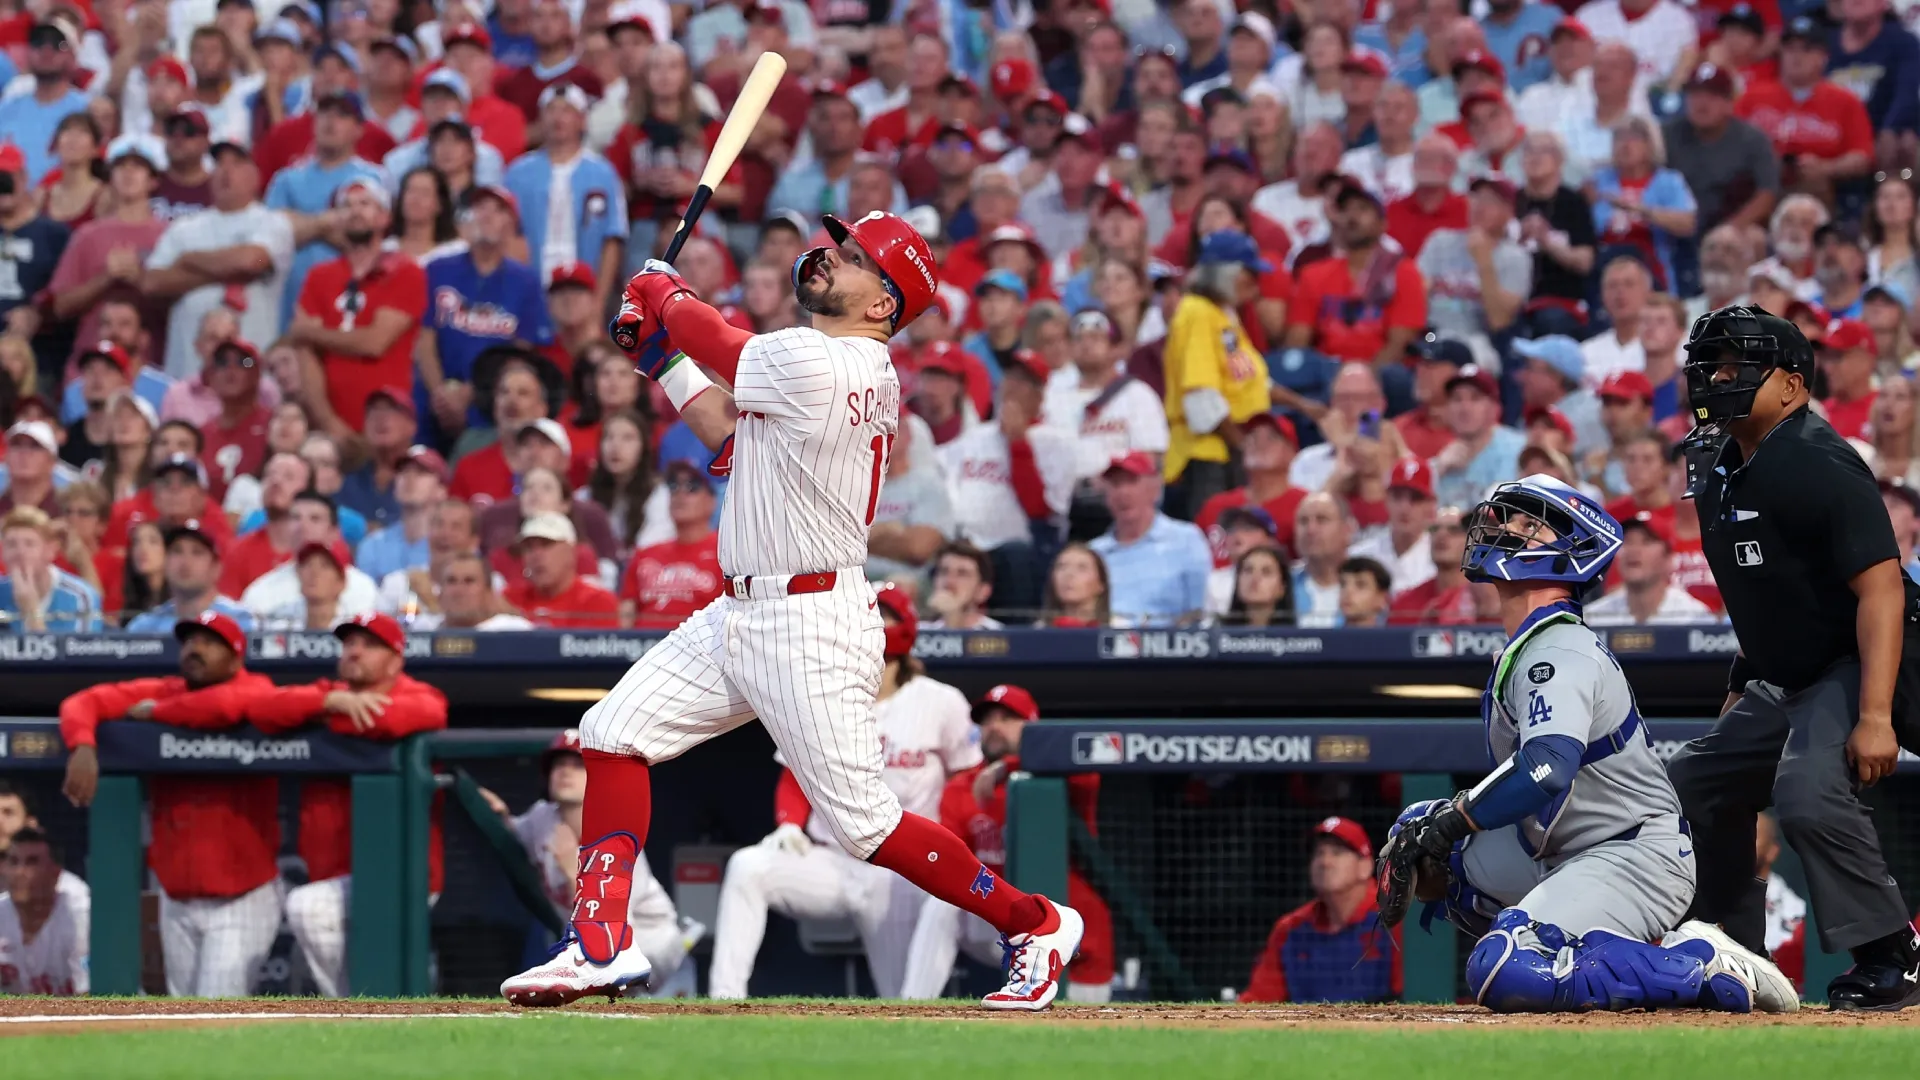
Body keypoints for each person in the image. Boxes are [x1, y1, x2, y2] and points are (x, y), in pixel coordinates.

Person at [505, 210, 1086, 1010]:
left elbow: (723, 345)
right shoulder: (813, 367)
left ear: (883, 304)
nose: (829, 256)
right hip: (741, 609)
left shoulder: (835, 361)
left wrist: (664, 295)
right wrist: (663, 360)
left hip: (812, 621)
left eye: (853, 260)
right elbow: (730, 437)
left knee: (866, 828)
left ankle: (1033, 922)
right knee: (611, 732)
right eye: (837, 245)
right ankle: (599, 942)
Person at [1374, 475, 1795, 1015]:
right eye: (1511, 521)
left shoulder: (1561, 648)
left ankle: (1692, 958)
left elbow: (1546, 768)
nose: (1506, 530)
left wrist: (1457, 816)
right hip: (1568, 850)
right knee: (1426, 840)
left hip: (1635, 854)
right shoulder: (1532, 643)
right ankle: (1576, 944)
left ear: (1569, 554)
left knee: (1503, 968)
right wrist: (1441, 829)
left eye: (1529, 526)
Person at [1667, 306, 1920, 1010]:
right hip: (1784, 674)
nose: (1717, 378)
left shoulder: (1818, 458)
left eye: (1735, 365)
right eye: (1711, 364)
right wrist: (1742, 680)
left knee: (1809, 793)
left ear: (1792, 384)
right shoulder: (1718, 463)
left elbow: (1881, 590)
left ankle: (1891, 957)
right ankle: (1717, 942)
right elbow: (1765, 589)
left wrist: (1873, 714)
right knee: (1691, 783)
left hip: (1857, 662)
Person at [709, 584, 980, 999]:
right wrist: (790, 826)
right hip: (832, 861)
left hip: (901, 868)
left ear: (904, 628)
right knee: (749, 867)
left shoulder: (941, 701)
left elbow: (967, 779)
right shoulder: (819, 691)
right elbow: (797, 774)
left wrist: (952, 841)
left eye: (883, 614)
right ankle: (724, 1000)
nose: (873, 621)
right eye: (865, 612)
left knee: (904, 999)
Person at [58, 611, 281, 996]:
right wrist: (83, 743)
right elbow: (83, 701)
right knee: (181, 1023)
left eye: (209, 643)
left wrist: (157, 714)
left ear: (236, 656)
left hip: (242, 898)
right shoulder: (166, 689)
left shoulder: (258, 689)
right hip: (177, 897)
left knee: (215, 1024)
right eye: (191, 641)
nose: (195, 649)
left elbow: (226, 708)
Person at [241, 613, 447, 998]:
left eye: (369, 645)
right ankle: (362, 1007)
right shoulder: (327, 693)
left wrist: (318, 719)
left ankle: (353, 1003)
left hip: (402, 873)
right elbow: (262, 709)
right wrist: (329, 701)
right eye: (349, 643)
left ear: (395, 659)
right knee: (323, 919)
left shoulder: (418, 693)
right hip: (335, 873)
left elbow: (409, 716)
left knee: (306, 907)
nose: (354, 651)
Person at [901, 684, 1113, 1001]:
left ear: (1032, 725)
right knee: (942, 904)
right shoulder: (964, 787)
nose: (994, 727)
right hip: (1006, 916)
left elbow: (1083, 763)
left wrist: (1010, 766)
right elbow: (949, 863)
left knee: (1080, 1034)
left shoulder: (1066, 777)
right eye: (987, 720)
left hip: (1075, 935)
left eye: (1007, 718)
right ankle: (911, 1008)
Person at [491, 730, 702, 993]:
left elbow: (613, 933)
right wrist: (499, 814)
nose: (565, 772)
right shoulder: (542, 818)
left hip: (654, 952)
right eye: (559, 764)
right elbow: (515, 832)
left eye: (578, 765)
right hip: (596, 947)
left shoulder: (619, 841)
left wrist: (572, 873)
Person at [141, 136, 294, 379]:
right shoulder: (184, 227)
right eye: (219, 163)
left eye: (237, 163)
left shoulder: (272, 223)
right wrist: (227, 269)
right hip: (189, 370)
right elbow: (152, 282)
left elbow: (251, 261)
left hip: (250, 363)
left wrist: (188, 260)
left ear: (256, 175)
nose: (226, 171)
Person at [938, 350, 1074, 614]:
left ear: (1040, 395)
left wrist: (1018, 444)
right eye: (1009, 377)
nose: (1011, 386)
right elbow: (942, 483)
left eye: (1022, 381)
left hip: (1023, 550)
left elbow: (1040, 511)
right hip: (968, 545)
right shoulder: (975, 437)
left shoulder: (1056, 441)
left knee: (1015, 556)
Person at [287, 178, 427, 431]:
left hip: (388, 422)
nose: (355, 211)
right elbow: (307, 354)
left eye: (365, 204)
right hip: (329, 425)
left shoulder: (406, 272)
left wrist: (309, 332)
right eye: (346, 206)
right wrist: (328, 422)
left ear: (384, 217)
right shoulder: (319, 276)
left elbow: (374, 343)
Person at [1162, 231, 1273, 515]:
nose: (1255, 283)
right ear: (1225, 273)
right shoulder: (1196, 313)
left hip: (1227, 450)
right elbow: (1201, 399)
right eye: (1249, 273)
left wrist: (1306, 407)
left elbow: (1251, 379)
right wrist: (1244, 447)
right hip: (1207, 458)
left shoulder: (1222, 313)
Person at [1242, 817, 1397, 1003]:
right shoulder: (1291, 929)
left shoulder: (1396, 918)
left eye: (1337, 853)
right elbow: (1258, 1000)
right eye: (1318, 853)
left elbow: (1417, 1001)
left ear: (1365, 866)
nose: (1325, 862)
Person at [1735, 18, 1873, 201]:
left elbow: (1863, 156)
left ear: (1823, 58)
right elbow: (1728, 143)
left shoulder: (1845, 100)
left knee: (1815, 185)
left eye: (1806, 49)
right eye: (1790, 49)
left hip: (1816, 188)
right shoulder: (1753, 96)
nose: (1796, 56)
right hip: (1758, 183)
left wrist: (1827, 167)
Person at [1086, 452, 1211, 626]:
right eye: (1115, 484)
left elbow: (1199, 612)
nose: (1123, 492)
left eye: (1131, 481)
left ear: (1155, 489)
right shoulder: (1094, 553)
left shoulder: (1186, 539)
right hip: (1102, 645)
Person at [1418, 176, 1533, 342]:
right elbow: (1416, 297)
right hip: (1431, 334)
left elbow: (1498, 321)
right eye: (1476, 197)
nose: (1480, 205)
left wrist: (1484, 262)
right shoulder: (1440, 241)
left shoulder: (1516, 258)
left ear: (1509, 212)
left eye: (1490, 200)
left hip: (1478, 340)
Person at [239, 489, 380, 621]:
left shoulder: (362, 588)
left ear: (334, 532)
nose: (303, 525)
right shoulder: (261, 592)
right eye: (295, 518)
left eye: (315, 519)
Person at [618, 461, 722, 629]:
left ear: (712, 501)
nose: (680, 493)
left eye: (692, 486)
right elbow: (625, 618)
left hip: (701, 648)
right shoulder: (645, 554)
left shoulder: (725, 554)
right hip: (645, 649)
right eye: (673, 485)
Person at [1585, 511, 1719, 626]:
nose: (1634, 550)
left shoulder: (1694, 617)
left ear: (1668, 558)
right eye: (1628, 541)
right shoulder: (1593, 618)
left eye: (1646, 541)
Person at [122, 520, 254, 633]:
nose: (186, 562)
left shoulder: (240, 621)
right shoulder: (144, 627)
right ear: (166, 562)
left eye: (197, 552)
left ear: (216, 568)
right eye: (177, 551)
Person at [0, 828, 86, 995]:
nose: (19, 873)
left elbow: (93, 999)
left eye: (31, 863)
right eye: (13, 862)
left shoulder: (81, 919)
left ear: (56, 873)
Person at [1430, 365, 1526, 509]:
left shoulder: (1519, 450)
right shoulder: (1443, 460)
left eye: (1475, 398)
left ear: (1495, 409)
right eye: (1457, 399)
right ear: (1447, 410)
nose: (1465, 408)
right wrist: (1438, 470)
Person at [500, 512, 620, 628]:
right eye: (529, 547)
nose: (536, 555)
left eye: (546, 544)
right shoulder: (510, 600)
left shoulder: (597, 603)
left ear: (571, 552)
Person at [0, 506, 101, 631]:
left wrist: (31, 610)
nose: (20, 552)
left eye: (29, 544)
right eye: (11, 544)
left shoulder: (81, 596)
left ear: (50, 550)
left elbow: (81, 649)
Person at [354, 446, 446, 584]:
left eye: (421, 473)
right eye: (403, 472)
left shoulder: (450, 545)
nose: (409, 479)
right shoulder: (373, 545)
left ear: (441, 490)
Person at [1388, 505, 1486, 624]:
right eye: (1434, 529)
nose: (1441, 535)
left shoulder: (1489, 601)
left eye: (1454, 530)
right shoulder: (1405, 604)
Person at [1580, 256, 1654, 385]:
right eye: (1612, 286)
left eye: (1629, 284)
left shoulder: (1669, 347)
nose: (1620, 292)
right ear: (1602, 296)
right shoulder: (1586, 353)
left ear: (1648, 293)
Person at [924, 541, 1003, 631]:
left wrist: (953, 617)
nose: (949, 581)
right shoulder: (916, 633)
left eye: (962, 574)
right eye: (944, 572)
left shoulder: (1001, 636)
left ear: (983, 591)